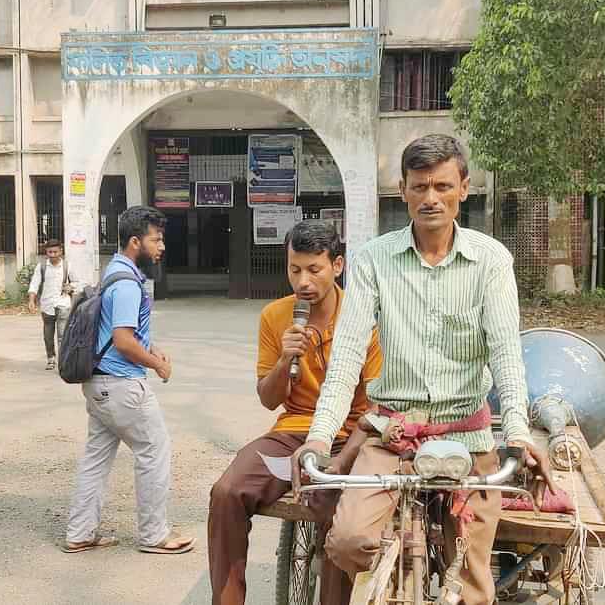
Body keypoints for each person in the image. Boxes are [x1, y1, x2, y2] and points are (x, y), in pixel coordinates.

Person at [291, 134, 556, 605]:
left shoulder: (491, 260)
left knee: (473, 583)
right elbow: (347, 357)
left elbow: (506, 356)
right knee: (349, 539)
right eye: (419, 187)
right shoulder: (374, 259)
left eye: (442, 186)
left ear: (464, 189)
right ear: (403, 191)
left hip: (468, 440)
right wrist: (317, 436)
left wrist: (517, 431)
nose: (430, 198)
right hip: (394, 432)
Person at [208, 220, 383, 605]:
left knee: (336, 508)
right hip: (293, 428)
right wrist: (285, 358)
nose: (303, 281)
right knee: (227, 492)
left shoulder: (365, 318)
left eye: (314, 269)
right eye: (294, 269)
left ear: (337, 266)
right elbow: (269, 400)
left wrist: (342, 460)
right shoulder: (275, 316)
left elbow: (375, 407)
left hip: (350, 435)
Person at [62, 205, 195, 555]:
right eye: (156, 239)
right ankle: (154, 535)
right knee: (154, 450)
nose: (162, 246)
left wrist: (152, 348)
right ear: (136, 242)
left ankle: (80, 532)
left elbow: (121, 332)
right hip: (122, 385)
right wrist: (157, 365)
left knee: (96, 458)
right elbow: (122, 340)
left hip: (99, 385)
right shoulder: (127, 284)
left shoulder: (115, 273)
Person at [27, 239, 74, 370]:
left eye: (55, 252)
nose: (53, 255)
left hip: (63, 303)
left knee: (62, 335)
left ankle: (63, 362)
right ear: (46, 252)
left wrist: (71, 287)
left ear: (61, 251)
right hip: (47, 305)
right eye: (50, 252)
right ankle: (51, 358)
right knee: (48, 335)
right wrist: (31, 300)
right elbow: (34, 284)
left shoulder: (67, 266)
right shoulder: (41, 267)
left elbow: (77, 282)